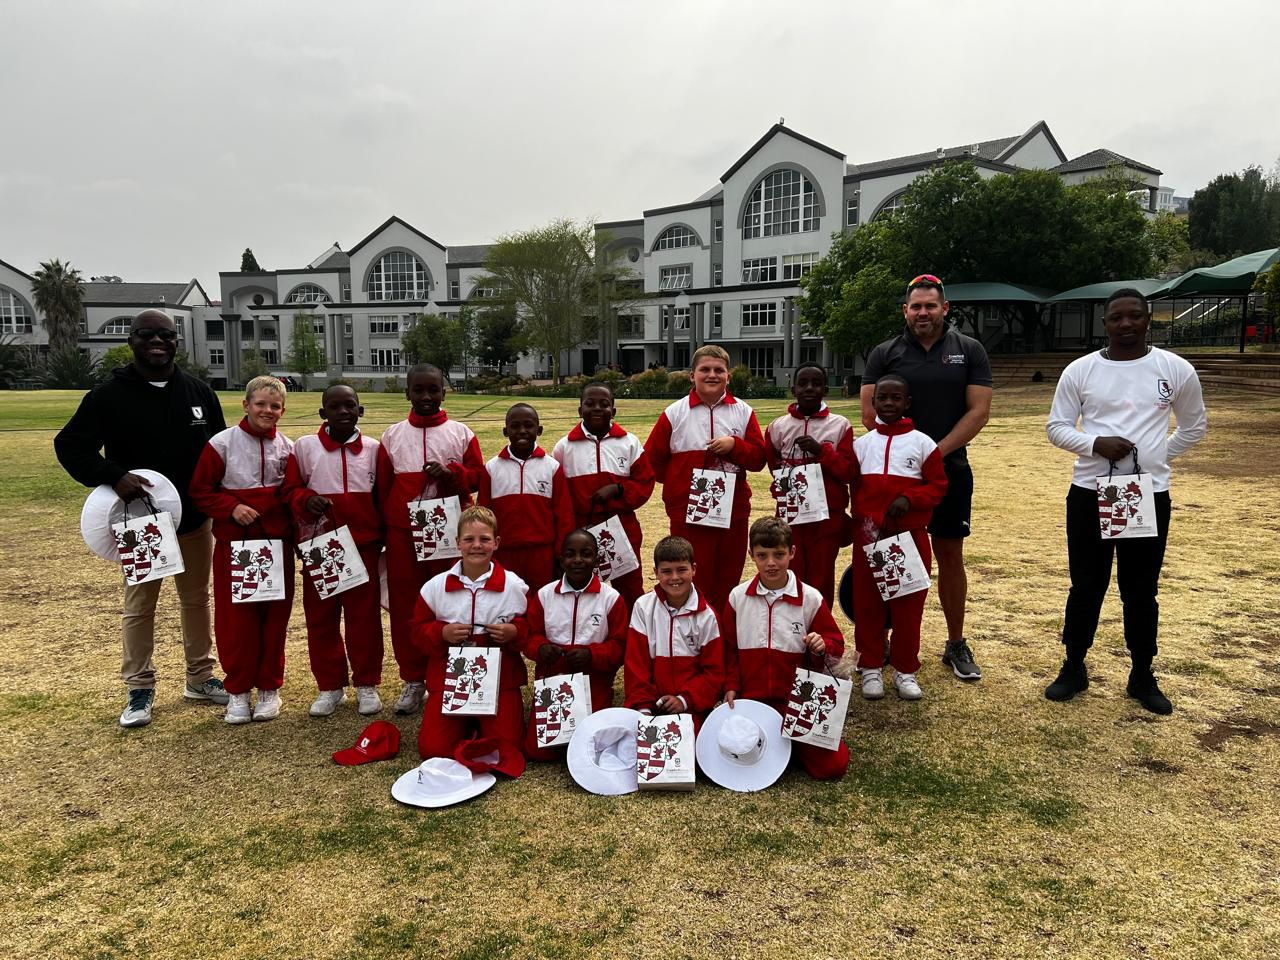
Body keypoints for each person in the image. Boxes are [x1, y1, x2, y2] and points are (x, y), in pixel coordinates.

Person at [54, 309, 229, 728]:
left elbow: (222, 451)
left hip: (193, 519)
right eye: (147, 335)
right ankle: (139, 687)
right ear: (132, 340)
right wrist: (113, 476)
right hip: (142, 525)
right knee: (140, 605)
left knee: (196, 599)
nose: (157, 342)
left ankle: (200, 677)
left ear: (175, 341)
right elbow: (70, 445)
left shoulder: (198, 392)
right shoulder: (109, 394)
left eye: (165, 335)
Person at [1044, 289, 1207, 714]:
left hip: (1147, 495)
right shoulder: (1081, 370)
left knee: (1140, 590)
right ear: (1106, 323)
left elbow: (1193, 426)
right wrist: (1096, 443)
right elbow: (1058, 427)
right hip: (1089, 494)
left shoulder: (1174, 369)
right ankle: (1074, 665)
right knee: (1086, 585)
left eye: (1135, 316)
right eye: (1117, 317)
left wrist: (1151, 459)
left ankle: (1141, 673)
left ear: (1148, 319)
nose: (1126, 324)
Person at [861, 274, 991, 681]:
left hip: (948, 469)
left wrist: (934, 453)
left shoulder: (969, 350)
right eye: (915, 306)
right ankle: (884, 642)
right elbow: (869, 413)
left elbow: (979, 411)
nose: (923, 313)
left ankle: (955, 643)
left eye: (930, 306)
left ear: (945, 308)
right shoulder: (885, 352)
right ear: (905, 310)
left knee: (950, 555)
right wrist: (909, 456)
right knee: (887, 555)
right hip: (894, 479)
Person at [377, 364, 484, 716]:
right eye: (418, 390)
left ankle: (449, 676)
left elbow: (476, 480)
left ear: (444, 392)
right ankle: (413, 679)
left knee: (451, 602)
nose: (426, 397)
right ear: (407, 392)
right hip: (404, 535)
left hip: (449, 533)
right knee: (408, 607)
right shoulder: (392, 436)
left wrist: (452, 473)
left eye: (433, 390)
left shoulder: (461, 433)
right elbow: (383, 489)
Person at [189, 375, 295, 724]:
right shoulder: (221, 444)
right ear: (245, 404)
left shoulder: (288, 448)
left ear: (282, 410)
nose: (267, 411)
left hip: (276, 546)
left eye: (274, 406)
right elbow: (201, 490)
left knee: (273, 620)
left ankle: (268, 688)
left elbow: (293, 493)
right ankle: (237, 691)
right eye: (261, 404)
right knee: (237, 622)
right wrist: (231, 507)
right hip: (238, 547)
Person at [283, 384, 385, 718]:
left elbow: (382, 495)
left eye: (350, 406)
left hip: (364, 546)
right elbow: (290, 490)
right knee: (321, 620)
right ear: (323, 413)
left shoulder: (373, 448)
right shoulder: (305, 447)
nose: (343, 411)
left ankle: (367, 683)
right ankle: (330, 686)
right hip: (322, 546)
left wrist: (380, 534)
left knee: (364, 620)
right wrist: (304, 499)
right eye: (335, 406)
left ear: (360, 411)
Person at [722, 517, 849, 780]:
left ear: (792, 553)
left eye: (779, 554)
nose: (771, 563)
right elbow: (729, 649)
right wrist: (731, 685)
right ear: (751, 556)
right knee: (737, 757)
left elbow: (836, 645)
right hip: (752, 701)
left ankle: (793, 746)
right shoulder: (737, 597)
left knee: (832, 767)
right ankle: (785, 748)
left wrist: (822, 645)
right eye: (762, 555)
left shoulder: (811, 598)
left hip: (796, 703)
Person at [644, 344, 767, 610]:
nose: (712, 375)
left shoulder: (743, 411)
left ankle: (722, 637)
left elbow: (758, 459)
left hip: (732, 511)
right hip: (689, 512)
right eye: (705, 370)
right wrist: (681, 485)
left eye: (719, 370)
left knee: (727, 574)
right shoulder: (675, 413)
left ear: (728, 376)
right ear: (692, 375)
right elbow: (651, 462)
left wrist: (736, 445)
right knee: (693, 574)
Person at [851, 374, 948, 701]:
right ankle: (871, 667)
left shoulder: (923, 443)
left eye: (896, 398)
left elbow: (938, 486)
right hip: (870, 540)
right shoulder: (862, 446)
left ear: (907, 403)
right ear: (873, 402)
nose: (889, 403)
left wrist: (911, 498)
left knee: (908, 608)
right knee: (868, 605)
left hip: (909, 539)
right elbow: (850, 484)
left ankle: (906, 670)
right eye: (883, 398)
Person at [412, 506, 530, 759]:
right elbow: (417, 632)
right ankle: (467, 723)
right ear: (457, 543)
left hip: (500, 677)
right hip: (450, 676)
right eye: (469, 539)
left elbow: (532, 626)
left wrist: (514, 631)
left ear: (496, 543)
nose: (477, 545)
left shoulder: (515, 586)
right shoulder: (435, 587)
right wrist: (441, 632)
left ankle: (478, 724)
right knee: (434, 750)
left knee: (506, 748)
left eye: (484, 539)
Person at [521, 528, 627, 761]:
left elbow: (620, 646)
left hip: (593, 678)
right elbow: (529, 636)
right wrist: (540, 648)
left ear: (596, 559)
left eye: (586, 554)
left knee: (592, 746)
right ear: (561, 559)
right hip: (553, 677)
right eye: (570, 554)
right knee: (538, 752)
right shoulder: (545, 595)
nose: (578, 560)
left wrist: (592, 654)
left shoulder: (611, 598)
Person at [552, 381, 655, 607]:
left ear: (613, 411)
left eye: (604, 404)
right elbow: (559, 497)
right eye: (590, 404)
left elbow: (645, 483)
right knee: (584, 590)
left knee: (629, 589)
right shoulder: (564, 447)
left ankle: (631, 637)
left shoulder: (628, 443)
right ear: (580, 410)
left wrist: (619, 489)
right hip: (582, 530)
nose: (597, 408)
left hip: (622, 528)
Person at [764, 363, 856, 607]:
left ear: (825, 389)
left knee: (821, 574)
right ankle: (792, 630)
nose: (809, 388)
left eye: (816, 384)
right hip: (791, 516)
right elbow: (774, 467)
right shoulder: (777, 427)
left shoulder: (840, 425)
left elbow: (847, 471)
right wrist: (782, 488)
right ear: (793, 388)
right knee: (789, 570)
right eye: (803, 383)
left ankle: (820, 632)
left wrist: (822, 452)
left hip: (826, 517)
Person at [623, 536, 724, 730]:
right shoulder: (643, 607)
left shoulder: (707, 616)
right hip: (649, 705)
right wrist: (643, 709)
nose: (675, 578)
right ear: (656, 572)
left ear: (694, 569)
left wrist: (684, 700)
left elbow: (714, 672)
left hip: (690, 707)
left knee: (687, 751)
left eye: (682, 570)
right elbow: (636, 666)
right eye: (666, 571)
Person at [478, 403, 575, 590]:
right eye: (515, 426)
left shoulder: (552, 467)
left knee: (540, 603)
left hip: (542, 553)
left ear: (539, 430)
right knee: (507, 602)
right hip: (504, 552)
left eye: (528, 426)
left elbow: (564, 516)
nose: (522, 431)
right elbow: (484, 515)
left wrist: (560, 555)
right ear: (505, 431)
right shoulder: (492, 468)